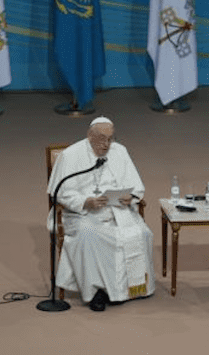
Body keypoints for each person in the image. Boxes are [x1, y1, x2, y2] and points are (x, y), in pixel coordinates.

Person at [47, 116, 155, 311]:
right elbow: (61, 192)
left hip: (118, 211)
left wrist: (130, 197)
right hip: (82, 214)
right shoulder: (71, 155)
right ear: (90, 136)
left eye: (110, 138)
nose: (106, 144)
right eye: (102, 139)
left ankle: (128, 289)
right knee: (90, 236)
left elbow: (136, 186)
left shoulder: (119, 151)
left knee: (142, 233)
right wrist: (86, 201)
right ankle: (96, 292)